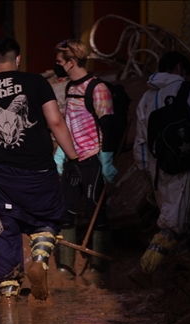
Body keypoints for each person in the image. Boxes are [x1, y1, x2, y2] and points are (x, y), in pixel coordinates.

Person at [0, 37, 79, 302]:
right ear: (18, 59)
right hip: (39, 172)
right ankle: (40, 260)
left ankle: (8, 289)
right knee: (46, 218)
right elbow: (55, 122)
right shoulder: (36, 82)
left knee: (3, 228)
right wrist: (74, 158)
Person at [132, 51, 190, 278]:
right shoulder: (187, 90)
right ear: (179, 67)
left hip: (157, 167)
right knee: (174, 223)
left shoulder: (147, 97)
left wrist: (146, 171)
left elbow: (140, 139)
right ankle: (146, 271)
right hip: (183, 163)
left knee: (169, 211)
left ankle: (175, 272)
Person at [52, 39, 118, 276]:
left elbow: (109, 126)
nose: (57, 66)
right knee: (65, 211)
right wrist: (60, 154)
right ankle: (65, 266)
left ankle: (99, 268)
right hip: (73, 160)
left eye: (60, 62)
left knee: (95, 212)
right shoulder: (70, 88)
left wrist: (107, 160)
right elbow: (68, 125)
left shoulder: (97, 88)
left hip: (93, 160)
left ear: (71, 62)